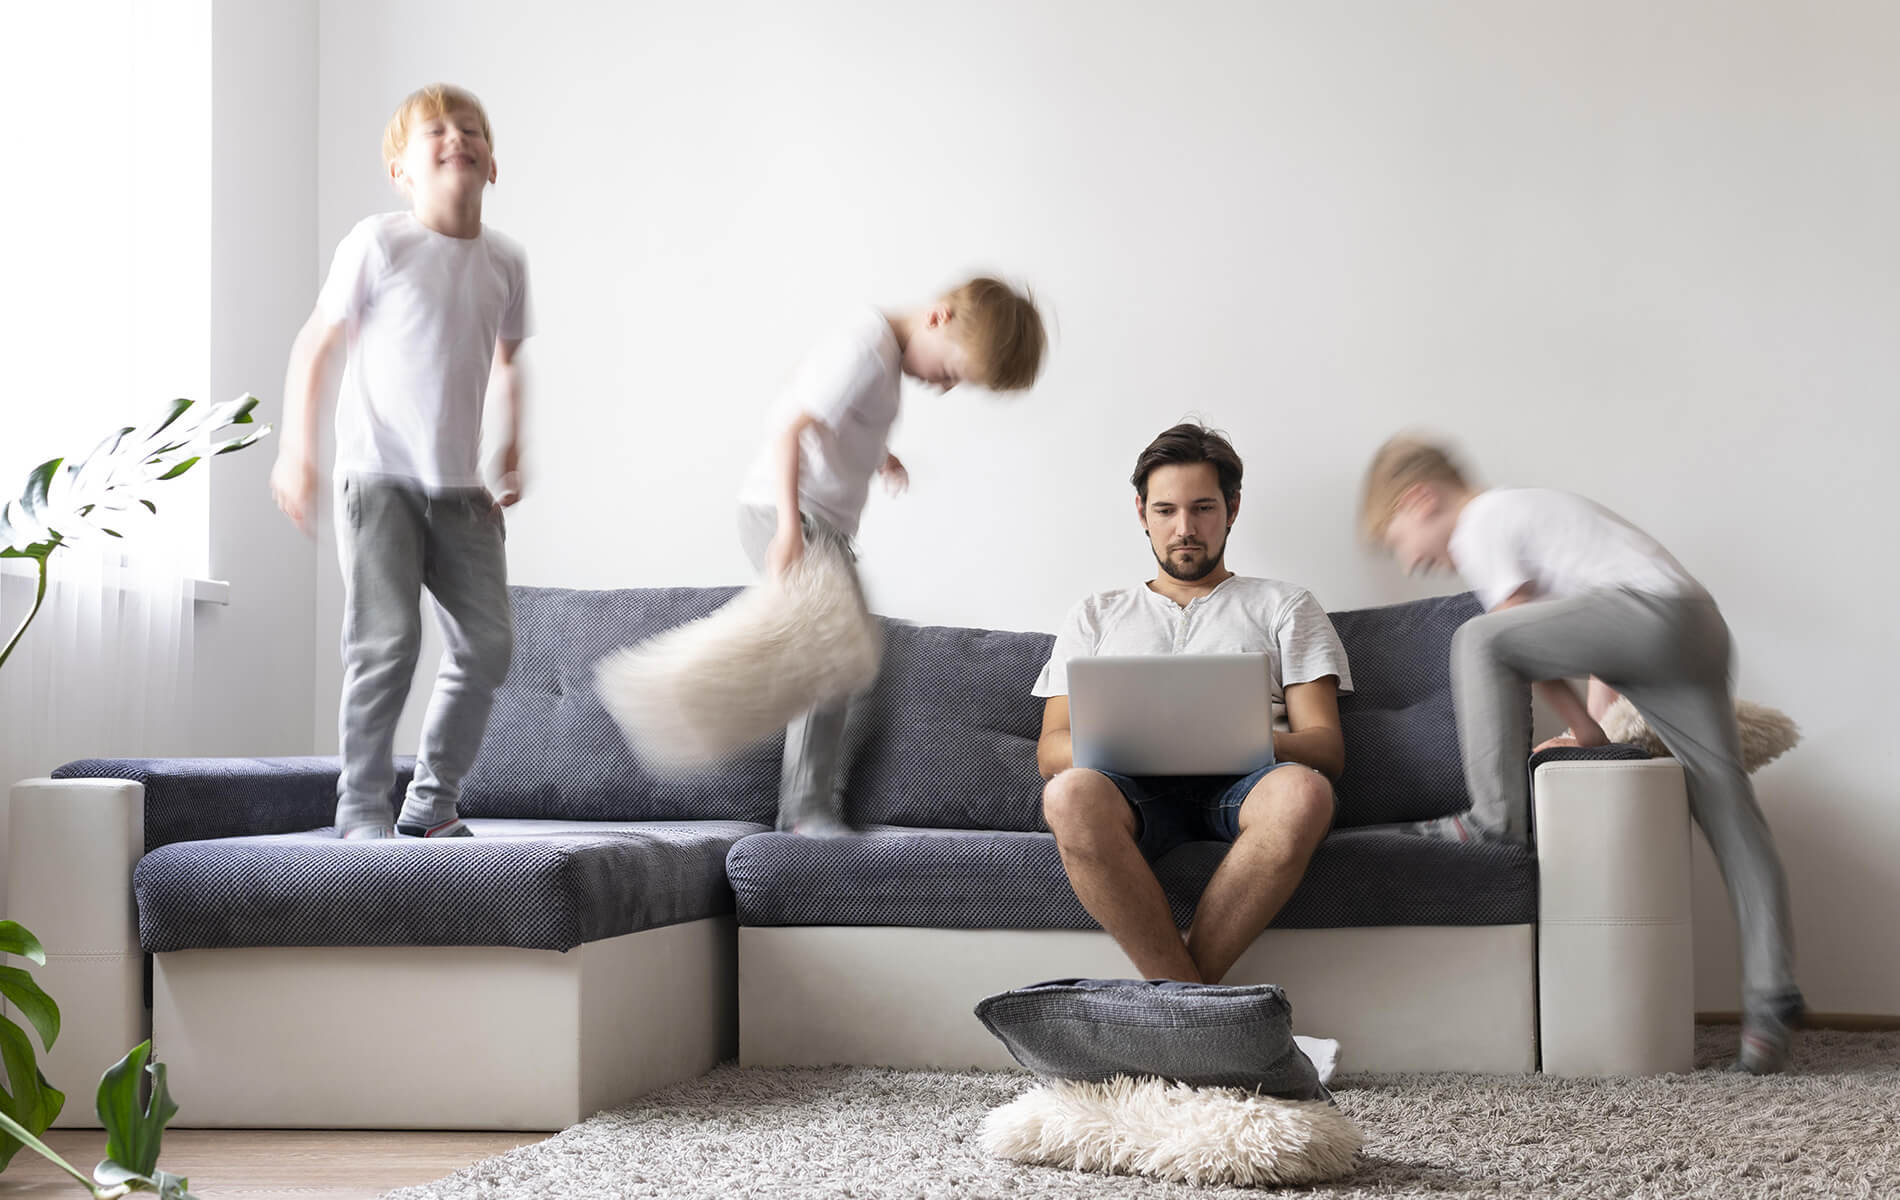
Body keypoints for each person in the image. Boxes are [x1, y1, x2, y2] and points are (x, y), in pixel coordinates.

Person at [1361, 433, 1803, 1072]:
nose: (1407, 561)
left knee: (1476, 641)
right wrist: (1590, 727)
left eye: (1395, 537)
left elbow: (1510, 640)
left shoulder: (1482, 522)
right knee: (1730, 812)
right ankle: (1771, 998)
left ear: (1419, 499)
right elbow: (1596, 633)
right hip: (1695, 626)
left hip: (1649, 620)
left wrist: (1582, 731)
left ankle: (1493, 817)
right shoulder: (1537, 513)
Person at [271, 83, 532, 840]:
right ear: (401, 171)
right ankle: (360, 808)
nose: (458, 138)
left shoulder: (506, 262)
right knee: (387, 644)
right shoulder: (378, 243)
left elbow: (510, 362)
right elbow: (315, 346)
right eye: (436, 132)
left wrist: (511, 443)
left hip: (461, 492)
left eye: (472, 129)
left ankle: (432, 800)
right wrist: (298, 450)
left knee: (489, 645)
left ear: (493, 164)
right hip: (378, 479)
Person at [1034, 422, 1350, 984]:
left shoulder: (1286, 605)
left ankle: (1174, 1006)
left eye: (1203, 508)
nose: (1185, 529)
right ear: (1141, 513)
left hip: (1248, 788)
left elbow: (1325, 747)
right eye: (1166, 510)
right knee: (1068, 793)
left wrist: (1234, 739)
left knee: (1305, 792)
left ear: (1232, 508)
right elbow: (1052, 749)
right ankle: (1193, 1005)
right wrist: (1137, 743)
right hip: (1127, 791)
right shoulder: (1094, 614)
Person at [735, 279, 1045, 833]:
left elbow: (842, 419)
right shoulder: (864, 349)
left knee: (857, 662)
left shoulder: (880, 361)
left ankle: (813, 804)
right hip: (789, 517)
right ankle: (804, 812)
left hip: (816, 524)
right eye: (951, 373)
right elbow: (789, 426)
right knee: (837, 658)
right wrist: (787, 528)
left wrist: (881, 455)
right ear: (937, 318)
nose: (945, 388)